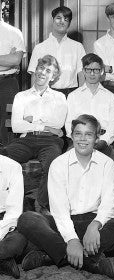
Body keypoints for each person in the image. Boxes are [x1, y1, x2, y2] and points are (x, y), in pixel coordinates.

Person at [17, 114, 114, 279]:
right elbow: (59, 209)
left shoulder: (107, 164)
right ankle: (89, 261)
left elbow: (109, 203)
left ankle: (51, 256)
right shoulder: (58, 164)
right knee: (28, 219)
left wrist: (95, 226)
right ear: (71, 136)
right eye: (78, 134)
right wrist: (71, 239)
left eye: (88, 134)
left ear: (96, 137)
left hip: (92, 222)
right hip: (62, 221)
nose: (83, 139)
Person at [0, 55, 67, 213]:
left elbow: (58, 124)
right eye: (40, 68)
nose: (42, 72)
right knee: (3, 158)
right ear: (35, 71)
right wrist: (46, 125)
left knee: (53, 164)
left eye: (48, 70)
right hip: (26, 140)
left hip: (50, 141)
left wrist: (30, 121)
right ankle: (10, 204)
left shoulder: (60, 97)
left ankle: (40, 204)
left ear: (53, 77)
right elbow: (16, 126)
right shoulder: (21, 97)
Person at [65, 53, 114, 163]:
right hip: (79, 142)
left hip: (102, 142)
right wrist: (81, 141)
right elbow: (68, 124)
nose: (92, 73)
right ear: (83, 71)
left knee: (110, 168)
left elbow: (113, 128)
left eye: (96, 70)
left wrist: (101, 142)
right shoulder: (73, 96)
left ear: (102, 71)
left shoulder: (111, 97)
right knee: (67, 165)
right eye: (88, 70)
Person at [28, 6, 86, 96]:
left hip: (71, 94)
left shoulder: (78, 47)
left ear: (69, 23)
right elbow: (34, 76)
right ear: (53, 19)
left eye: (66, 19)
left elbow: (82, 75)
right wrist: (35, 98)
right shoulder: (40, 47)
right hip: (46, 94)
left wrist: (82, 97)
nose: (62, 22)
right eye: (58, 18)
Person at [0, 0, 26, 145]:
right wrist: (5, 60)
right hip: (7, 72)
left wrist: (11, 61)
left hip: (8, 82)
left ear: (2, 4)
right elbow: (10, 60)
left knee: (7, 122)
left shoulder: (14, 32)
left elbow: (16, 59)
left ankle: (7, 158)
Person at [0, 155, 27, 279]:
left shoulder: (12, 167)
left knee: (18, 240)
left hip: (5, 221)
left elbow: (14, 212)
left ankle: (4, 256)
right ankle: (3, 260)